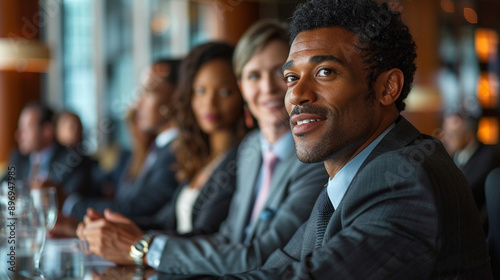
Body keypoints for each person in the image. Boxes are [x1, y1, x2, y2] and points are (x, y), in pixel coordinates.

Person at [213, 0, 491, 279]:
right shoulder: (345, 181)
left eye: (325, 72)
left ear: (387, 87)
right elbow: (274, 269)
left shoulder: (406, 178)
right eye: (291, 77)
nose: (296, 94)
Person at [77, 20, 328, 275]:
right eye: (254, 75)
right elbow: (227, 238)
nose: (267, 88)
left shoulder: (315, 156)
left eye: (279, 73)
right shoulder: (252, 148)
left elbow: (262, 255)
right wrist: (123, 237)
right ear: (242, 87)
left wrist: (143, 247)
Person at [132, 42, 248, 234]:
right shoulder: (202, 157)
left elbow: (207, 237)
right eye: (200, 91)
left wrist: (142, 245)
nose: (209, 103)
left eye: (224, 92)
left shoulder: (244, 159)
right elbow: (165, 223)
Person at [61, 59, 181, 221]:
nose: (137, 102)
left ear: (176, 98)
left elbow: (135, 210)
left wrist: (69, 204)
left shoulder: (178, 153)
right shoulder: (157, 149)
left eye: (148, 92)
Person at [2, 103, 91, 197]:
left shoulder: (72, 160)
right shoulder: (18, 158)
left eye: (26, 129)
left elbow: (71, 201)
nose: (18, 135)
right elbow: (4, 186)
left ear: (47, 131)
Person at [441, 110, 500, 230]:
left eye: (451, 135)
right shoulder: (451, 155)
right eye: (444, 133)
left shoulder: (489, 157)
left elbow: (464, 191)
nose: (444, 139)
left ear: (469, 136)